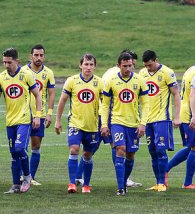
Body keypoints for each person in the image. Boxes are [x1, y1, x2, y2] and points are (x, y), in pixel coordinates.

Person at [0, 47, 42, 194]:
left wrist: (37, 115)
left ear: (17, 61)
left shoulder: (26, 75)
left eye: (9, 62)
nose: (6, 65)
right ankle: (16, 184)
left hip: (24, 119)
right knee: (13, 153)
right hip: (10, 121)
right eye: (4, 62)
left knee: (19, 148)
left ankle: (27, 177)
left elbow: (38, 95)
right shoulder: (1, 77)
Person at [100, 52, 149, 196]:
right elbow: (104, 105)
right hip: (117, 122)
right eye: (125, 66)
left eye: (130, 65)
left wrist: (143, 123)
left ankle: (124, 181)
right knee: (120, 149)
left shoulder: (140, 81)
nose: (128, 69)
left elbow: (146, 104)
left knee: (130, 155)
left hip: (133, 124)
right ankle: (120, 187)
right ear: (118, 66)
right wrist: (104, 124)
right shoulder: (111, 81)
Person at [55, 53, 103, 194]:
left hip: (93, 125)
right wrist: (58, 120)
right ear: (80, 65)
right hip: (75, 123)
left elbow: (105, 104)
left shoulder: (100, 83)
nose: (88, 67)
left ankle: (86, 185)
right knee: (74, 149)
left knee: (87, 155)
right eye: (86, 64)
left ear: (94, 66)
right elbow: (63, 100)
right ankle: (71, 184)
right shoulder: (72, 81)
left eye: (91, 65)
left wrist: (105, 124)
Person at [166, 50, 195, 190]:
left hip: (185, 113)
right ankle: (187, 183)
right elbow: (192, 95)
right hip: (190, 115)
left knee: (191, 147)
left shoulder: (190, 70)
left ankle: (165, 169)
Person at [139, 50, 181, 192]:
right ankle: (157, 182)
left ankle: (163, 183)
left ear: (156, 60)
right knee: (152, 151)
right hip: (147, 120)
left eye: (150, 65)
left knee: (161, 150)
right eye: (145, 65)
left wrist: (177, 116)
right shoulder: (142, 74)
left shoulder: (167, 73)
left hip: (162, 119)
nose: (148, 68)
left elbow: (176, 94)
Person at [21, 44, 55, 185]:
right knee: (21, 147)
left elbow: (52, 94)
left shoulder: (48, 73)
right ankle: (21, 175)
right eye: (36, 55)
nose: (39, 58)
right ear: (31, 56)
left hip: (39, 115)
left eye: (41, 55)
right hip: (22, 114)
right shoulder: (22, 71)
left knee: (35, 146)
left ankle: (31, 177)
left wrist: (49, 113)